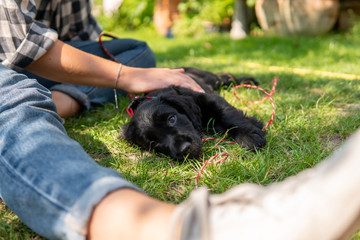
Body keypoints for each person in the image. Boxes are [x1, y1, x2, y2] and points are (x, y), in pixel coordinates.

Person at [1, 1, 360, 240]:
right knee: (15, 101)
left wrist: (122, 70)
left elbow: (82, 39)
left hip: (42, 65)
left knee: (136, 51)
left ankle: (66, 100)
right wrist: (125, 77)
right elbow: (18, 43)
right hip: (10, 68)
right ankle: (169, 228)